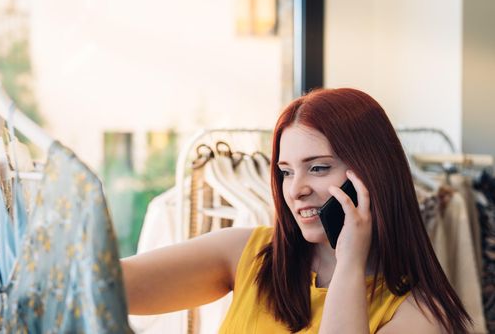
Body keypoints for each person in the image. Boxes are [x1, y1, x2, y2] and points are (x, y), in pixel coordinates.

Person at [121, 88, 472, 333]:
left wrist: (349, 262)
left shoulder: (423, 314)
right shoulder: (249, 254)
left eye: (318, 168)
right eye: (286, 171)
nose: (296, 189)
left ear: (371, 174)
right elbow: (114, 285)